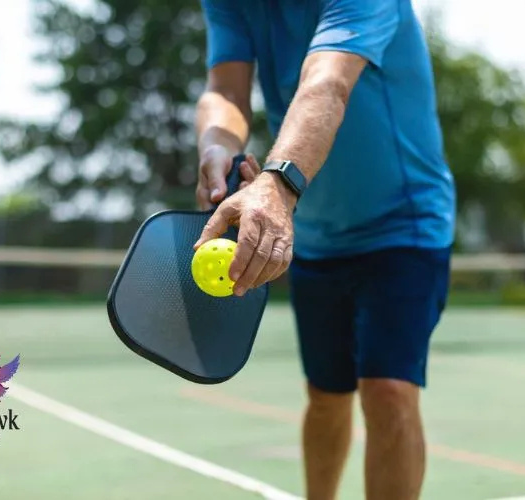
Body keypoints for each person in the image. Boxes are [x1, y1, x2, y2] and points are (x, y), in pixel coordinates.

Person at [194, 0, 456, 498]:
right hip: (314, 230)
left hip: (404, 223)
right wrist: (215, 145)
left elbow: (326, 82)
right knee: (327, 395)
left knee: (389, 391)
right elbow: (225, 89)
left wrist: (276, 185)